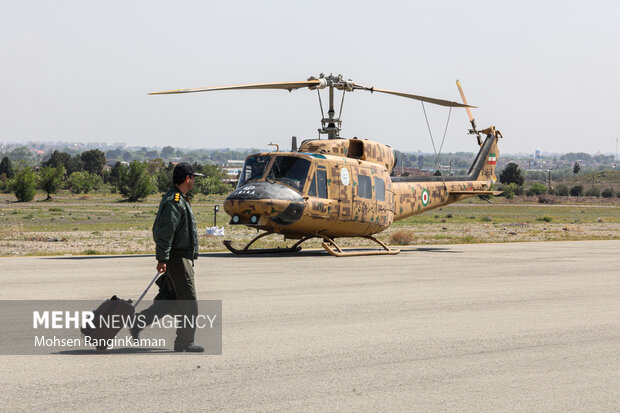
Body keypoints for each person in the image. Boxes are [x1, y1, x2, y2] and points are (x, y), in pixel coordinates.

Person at [131, 162, 205, 352]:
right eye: (193, 178)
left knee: (171, 300)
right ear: (187, 178)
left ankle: (138, 322)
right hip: (177, 258)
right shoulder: (175, 200)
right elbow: (165, 232)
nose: (194, 181)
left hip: (178, 257)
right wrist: (162, 259)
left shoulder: (179, 198)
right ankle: (185, 342)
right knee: (189, 301)